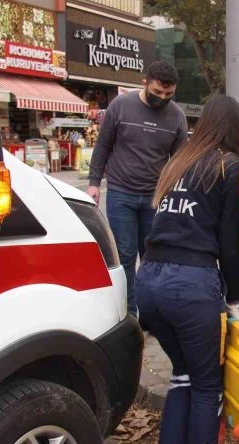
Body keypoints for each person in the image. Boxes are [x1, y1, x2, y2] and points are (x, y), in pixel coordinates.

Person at [135, 95, 239, 444]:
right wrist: (234, 299)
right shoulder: (228, 167)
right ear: (236, 130)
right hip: (190, 285)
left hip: (149, 281)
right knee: (206, 382)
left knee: (183, 372)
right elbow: (231, 245)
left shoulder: (178, 164)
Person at [87, 60, 188, 316]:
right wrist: (94, 183)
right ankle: (129, 313)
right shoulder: (120, 106)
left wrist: (177, 195)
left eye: (168, 94)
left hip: (155, 197)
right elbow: (103, 145)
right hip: (121, 193)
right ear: (145, 83)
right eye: (157, 92)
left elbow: (178, 162)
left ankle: (150, 313)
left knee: (153, 256)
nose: (162, 98)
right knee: (125, 255)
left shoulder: (177, 117)